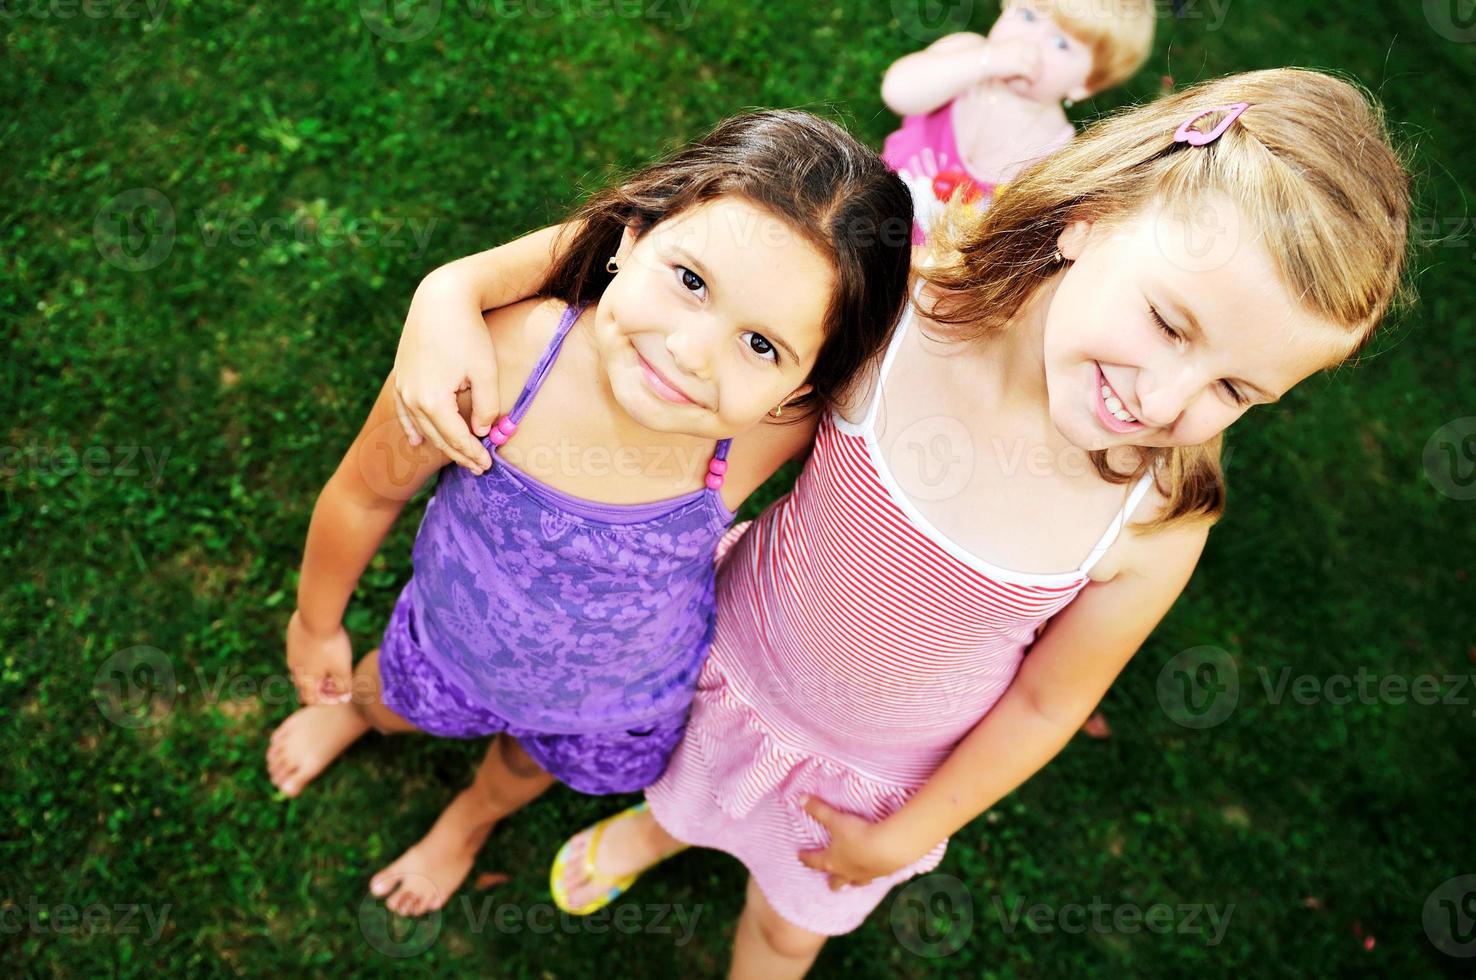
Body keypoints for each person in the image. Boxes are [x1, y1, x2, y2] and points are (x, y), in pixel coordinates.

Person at [391, 69, 1412, 977]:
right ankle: (659, 834)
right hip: (723, 660)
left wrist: (910, 832)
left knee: (790, 931)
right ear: (1086, 221)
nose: (1165, 397)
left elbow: (1047, 703)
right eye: (1169, 322)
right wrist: (456, 286)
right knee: (676, 787)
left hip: (871, 781)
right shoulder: (899, 323)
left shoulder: (1150, 521)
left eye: (1236, 385)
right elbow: (646, 258)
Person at [264, 109, 914, 918]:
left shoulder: (761, 432)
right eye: (691, 281)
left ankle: (469, 821)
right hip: (455, 633)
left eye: (760, 346)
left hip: (606, 700)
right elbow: (367, 491)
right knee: (394, 697)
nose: (689, 350)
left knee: (522, 766)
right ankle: (358, 717)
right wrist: (318, 622)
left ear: (803, 388)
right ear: (631, 239)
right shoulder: (493, 360)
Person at [881, 0, 1154, 241]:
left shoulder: (1055, 152)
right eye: (1027, 16)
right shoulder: (964, 54)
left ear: (1084, 85)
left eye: (1060, 44)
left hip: (935, 277)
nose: (1031, 41)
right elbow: (897, 92)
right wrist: (984, 61)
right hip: (878, 207)